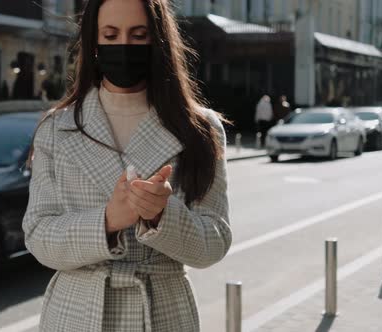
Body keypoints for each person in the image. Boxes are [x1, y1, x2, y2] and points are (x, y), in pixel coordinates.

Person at [22, 0, 232, 331]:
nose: (124, 46)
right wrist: (106, 221)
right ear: (93, 42)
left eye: (138, 35)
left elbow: (215, 242)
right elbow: (37, 236)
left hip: (162, 310)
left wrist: (163, 214)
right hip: (76, 313)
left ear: (158, 41)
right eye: (110, 34)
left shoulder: (200, 129)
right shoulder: (56, 128)